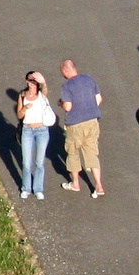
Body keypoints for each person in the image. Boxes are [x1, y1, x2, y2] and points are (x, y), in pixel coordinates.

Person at [58, 59, 105, 198]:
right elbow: (99, 99)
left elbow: (68, 106)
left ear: (66, 71)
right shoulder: (89, 78)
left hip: (76, 124)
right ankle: (99, 185)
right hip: (92, 121)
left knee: (72, 152)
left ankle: (75, 183)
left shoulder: (67, 86)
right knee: (92, 152)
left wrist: (60, 103)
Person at [16, 70, 56, 199]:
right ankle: (26, 188)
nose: (32, 83)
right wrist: (24, 108)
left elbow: (45, 90)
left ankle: (38, 189)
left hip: (42, 130)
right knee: (26, 163)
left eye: (34, 81)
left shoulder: (41, 95)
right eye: (29, 80)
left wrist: (42, 81)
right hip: (27, 130)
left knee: (39, 162)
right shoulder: (22, 95)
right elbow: (19, 115)